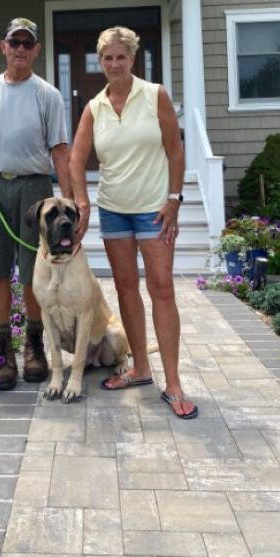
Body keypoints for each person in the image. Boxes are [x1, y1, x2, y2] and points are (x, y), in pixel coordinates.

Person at [69, 26, 198, 419]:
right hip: (113, 210)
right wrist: (84, 204)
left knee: (161, 289)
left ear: (132, 58)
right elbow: (76, 160)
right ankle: (141, 368)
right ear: (100, 60)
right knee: (126, 288)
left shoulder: (154, 94)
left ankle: (173, 383)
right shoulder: (95, 106)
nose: (113, 64)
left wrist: (174, 200)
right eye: (106, 58)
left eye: (120, 56)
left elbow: (176, 153)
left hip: (154, 209)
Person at [0, 17, 72, 391]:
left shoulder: (47, 95)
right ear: (3, 46)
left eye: (28, 43)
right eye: (15, 42)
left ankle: (34, 347)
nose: (21, 48)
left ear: (36, 50)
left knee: (33, 272)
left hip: (33, 191)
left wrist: (69, 202)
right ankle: (2, 349)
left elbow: (59, 151)